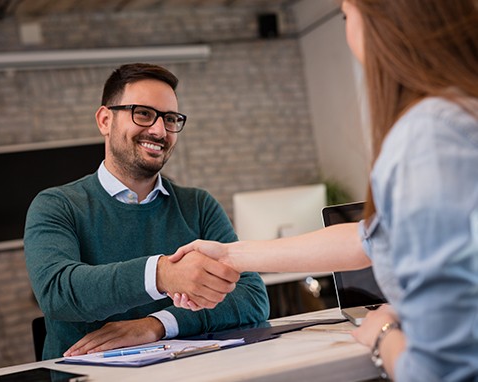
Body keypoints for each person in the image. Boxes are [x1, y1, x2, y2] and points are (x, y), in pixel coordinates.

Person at [169, 1, 478, 380]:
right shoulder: (459, 115)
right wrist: (231, 255)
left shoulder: (430, 134)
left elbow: (438, 371)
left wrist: (383, 333)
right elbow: (368, 239)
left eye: (347, 16)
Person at [24, 63, 269, 360]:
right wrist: (161, 274)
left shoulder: (198, 206)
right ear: (105, 120)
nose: (159, 130)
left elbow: (252, 297)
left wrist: (158, 325)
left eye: (170, 119)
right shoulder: (56, 205)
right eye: (143, 113)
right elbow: (57, 292)